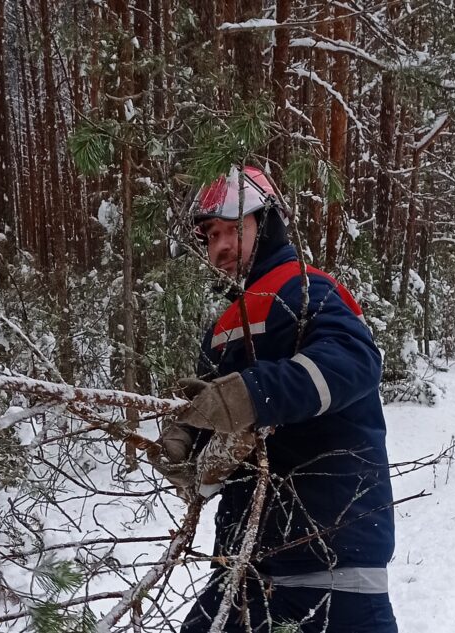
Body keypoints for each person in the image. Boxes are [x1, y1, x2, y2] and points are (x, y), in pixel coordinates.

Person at [161, 166, 397, 632]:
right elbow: (225, 432)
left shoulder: (305, 287)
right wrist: (189, 444)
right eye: (211, 236)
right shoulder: (223, 326)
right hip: (243, 564)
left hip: (328, 564)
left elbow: (355, 361)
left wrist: (250, 393)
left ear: (265, 224)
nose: (220, 247)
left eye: (233, 229)